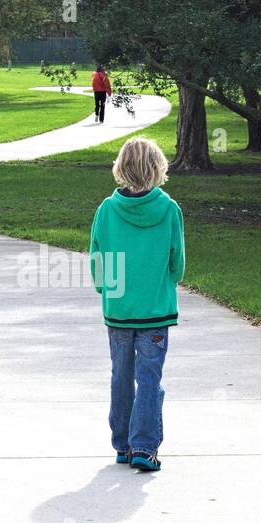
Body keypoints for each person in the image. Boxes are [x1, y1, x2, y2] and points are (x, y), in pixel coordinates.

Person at [89, 137, 185, 472]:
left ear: (121, 167)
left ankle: (122, 444)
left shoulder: (106, 210)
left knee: (121, 375)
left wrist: (105, 289)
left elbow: (98, 257)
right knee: (149, 376)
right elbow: (178, 261)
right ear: (157, 168)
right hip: (155, 309)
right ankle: (144, 446)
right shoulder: (169, 209)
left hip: (118, 310)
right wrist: (168, 280)